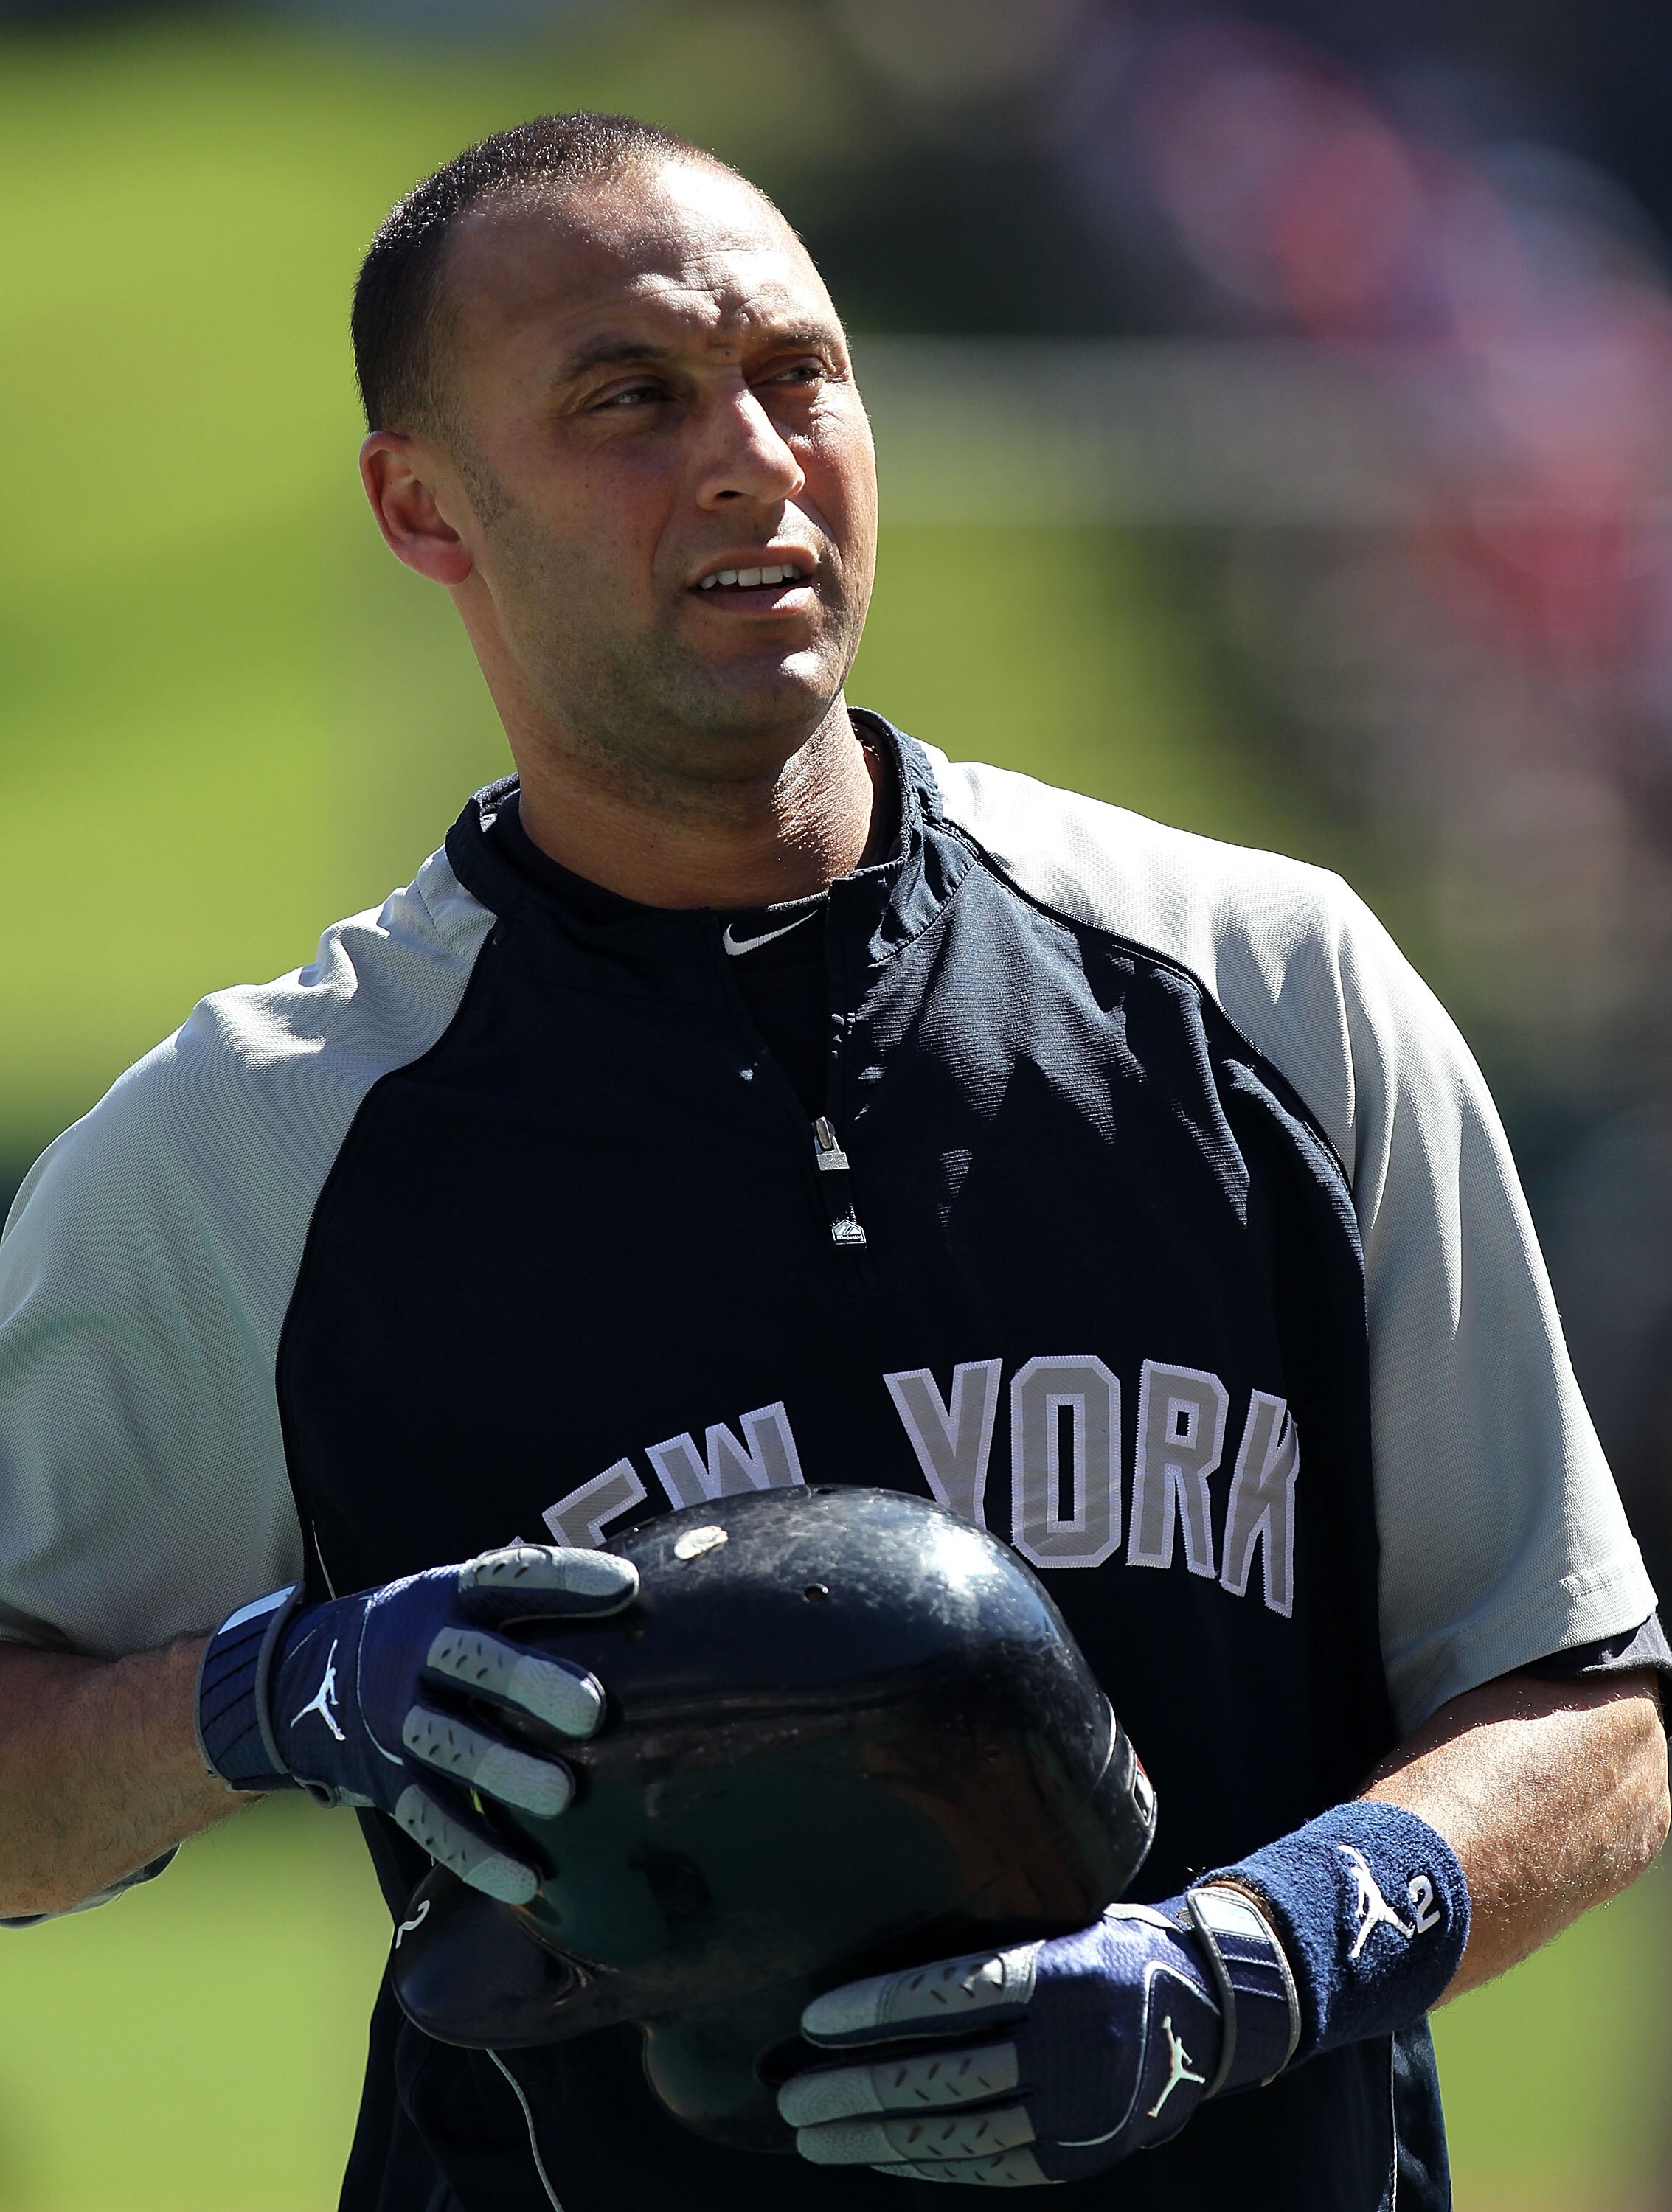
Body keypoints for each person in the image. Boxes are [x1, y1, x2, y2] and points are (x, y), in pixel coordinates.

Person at [0, 111, 1664, 2212]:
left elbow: (1587, 1717)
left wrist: (1250, 1965)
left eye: (799, 375)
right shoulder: (251, 1151)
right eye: (629, 398)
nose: (748, 458)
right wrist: (268, 1688)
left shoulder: (1269, 984)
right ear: (422, 507)